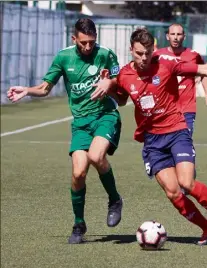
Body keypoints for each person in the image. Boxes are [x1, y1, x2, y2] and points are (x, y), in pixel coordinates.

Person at [92, 28, 207, 246]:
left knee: (186, 183)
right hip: (152, 141)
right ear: (131, 50)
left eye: (148, 52)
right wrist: (109, 85)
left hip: (177, 131)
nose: (144, 58)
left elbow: (203, 69)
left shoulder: (167, 64)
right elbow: (122, 99)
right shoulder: (124, 74)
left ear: (153, 48)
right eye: (139, 53)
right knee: (173, 193)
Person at [7, 18, 123, 244]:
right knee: (78, 173)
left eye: (91, 42)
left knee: (96, 156)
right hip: (80, 123)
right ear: (74, 39)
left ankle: (115, 199)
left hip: (105, 116)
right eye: (83, 43)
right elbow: (45, 87)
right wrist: (27, 91)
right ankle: (79, 224)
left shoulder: (106, 54)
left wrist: (109, 84)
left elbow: (120, 80)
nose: (88, 47)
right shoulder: (63, 57)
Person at [153, 23, 207, 137]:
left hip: (187, 109)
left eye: (179, 34)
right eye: (173, 34)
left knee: (185, 142)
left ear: (184, 37)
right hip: (164, 109)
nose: (175, 37)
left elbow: (204, 72)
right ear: (167, 36)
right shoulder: (157, 56)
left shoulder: (193, 55)